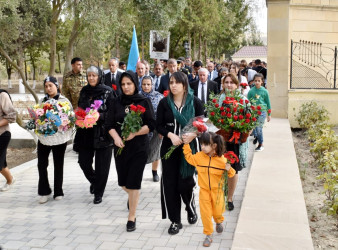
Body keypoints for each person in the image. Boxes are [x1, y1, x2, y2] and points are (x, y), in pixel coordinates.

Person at [107, 70, 155, 232]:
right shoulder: (115, 102)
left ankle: (131, 217)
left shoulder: (144, 101)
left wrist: (135, 132)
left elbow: (151, 124)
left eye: (129, 83)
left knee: (134, 183)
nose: (126, 87)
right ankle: (132, 196)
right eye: (123, 84)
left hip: (139, 147)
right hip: (120, 147)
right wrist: (116, 137)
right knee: (123, 183)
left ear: (135, 83)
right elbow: (109, 125)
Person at [156, 71, 204, 235]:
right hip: (169, 148)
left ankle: (190, 207)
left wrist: (194, 134)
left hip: (188, 149)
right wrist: (170, 135)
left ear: (185, 85)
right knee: (170, 185)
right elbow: (158, 125)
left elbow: (202, 125)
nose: (173, 85)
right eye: (171, 82)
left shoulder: (195, 102)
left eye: (177, 82)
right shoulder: (164, 103)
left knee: (185, 183)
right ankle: (175, 221)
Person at [182, 132, 236, 247]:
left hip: (217, 192)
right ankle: (208, 235)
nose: (202, 147)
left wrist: (229, 169)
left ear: (214, 146)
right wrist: (186, 145)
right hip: (204, 191)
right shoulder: (199, 156)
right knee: (205, 214)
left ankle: (218, 220)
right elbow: (190, 158)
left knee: (217, 212)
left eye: (205, 145)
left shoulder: (222, 160)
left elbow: (232, 174)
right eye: (201, 144)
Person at [77, 66, 115, 205]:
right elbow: (80, 107)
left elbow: (113, 112)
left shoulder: (108, 91)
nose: (91, 78)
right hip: (86, 133)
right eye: (89, 75)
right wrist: (80, 116)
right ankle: (94, 181)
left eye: (94, 75)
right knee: (83, 162)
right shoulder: (84, 91)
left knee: (102, 166)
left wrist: (98, 116)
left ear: (99, 76)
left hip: (103, 133)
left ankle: (99, 193)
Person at [36, 76, 73, 204]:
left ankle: (58, 191)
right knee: (41, 164)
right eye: (46, 86)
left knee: (58, 164)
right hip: (44, 138)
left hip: (59, 138)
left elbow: (70, 118)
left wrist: (62, 122)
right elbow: (38, 117)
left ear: (57, 86)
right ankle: (44, 191)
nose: (48, 88)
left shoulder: (64, 101)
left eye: (50, 85)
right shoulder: (42, 100)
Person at [219, 73, 248, 211]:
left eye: (231, 82)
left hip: (235, 139)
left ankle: (230, 197)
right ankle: (222, 192)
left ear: (237, 85)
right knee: (220, 166)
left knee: (233, 169)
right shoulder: (221, 98)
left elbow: (249, 121)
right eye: (226, 82)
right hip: (222, 139)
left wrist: (243, 131)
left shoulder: (242, 99)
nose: (229, 85)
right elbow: (216, 118)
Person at [140, 76, 164, 182]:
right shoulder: (137, 96)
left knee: (156, 150)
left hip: (155, 129)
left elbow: (163, 114)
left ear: (152, 85)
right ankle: (138, 172)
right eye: (144, 84)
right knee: (140, 152)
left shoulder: (159, 97)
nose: (146, 86)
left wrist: (162, 129)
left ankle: (154, 172)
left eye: (148, 84)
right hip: (141, 129)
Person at [62, 57, 87, 152]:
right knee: (77, 127)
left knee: (85, 127)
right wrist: (69, 107)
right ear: (73, 65)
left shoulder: (86, 75)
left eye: (81, 64)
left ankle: (82, 145)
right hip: (74, 107)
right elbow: (65, 93)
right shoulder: (67, 77)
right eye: (78, 64)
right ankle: (78, 146)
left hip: (85, 107)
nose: (81, 66)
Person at [247, 73, 271, 152]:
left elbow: (268, 103)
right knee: (255, 128)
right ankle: (257, 136)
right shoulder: (251, 91)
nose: (257, 82)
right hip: (254, 112)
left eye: (259, 81)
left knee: (258, 128)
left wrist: (269, 114)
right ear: (253, 81)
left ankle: (261, 144)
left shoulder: (265, 91)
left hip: (262, 112)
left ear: (262, 82)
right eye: (255, 81)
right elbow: (248, 102)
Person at [0, 89, 16, 192]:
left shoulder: (2, 95)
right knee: (1, 163)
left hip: (2, 134)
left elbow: (12, 116)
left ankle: (10, 180)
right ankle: (10, 179)